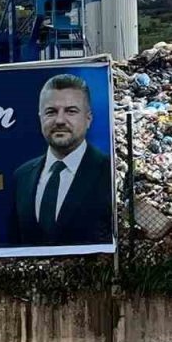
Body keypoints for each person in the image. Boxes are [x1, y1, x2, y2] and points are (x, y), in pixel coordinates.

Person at [10, 74, 113, 246]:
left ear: (88, 119)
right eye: (51, 112)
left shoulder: (109, 172)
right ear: (40, 117)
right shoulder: (22, 176)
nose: (59, 120)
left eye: (71, 111)